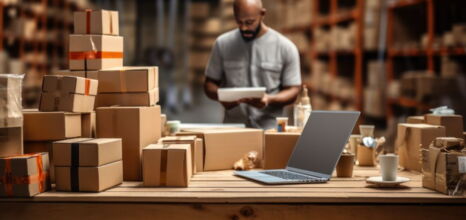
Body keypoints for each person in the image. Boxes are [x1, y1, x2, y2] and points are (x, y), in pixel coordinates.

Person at [204, 0, 302, 129]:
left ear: (262, 14)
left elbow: (293, 90)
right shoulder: (222, 44)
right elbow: (209, 84)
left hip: (271, 128)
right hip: (233, 127)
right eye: (239, 22)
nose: (244, 28)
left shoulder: (285, 47)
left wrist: (269, 99)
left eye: (249, 22)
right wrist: (221, 96)